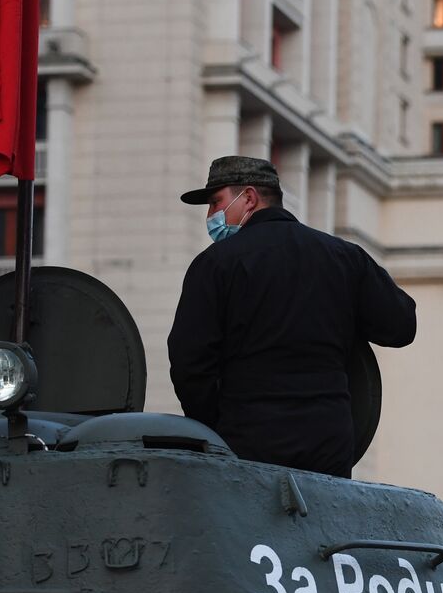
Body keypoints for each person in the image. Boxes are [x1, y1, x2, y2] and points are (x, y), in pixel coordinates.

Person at [168, 156, 417, 477]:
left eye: (216, 202)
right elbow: (401, 326)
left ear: (248, 198)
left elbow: (190, 363)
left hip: (247, 446)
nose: (211, 215)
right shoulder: (344, 257)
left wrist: (216, 428)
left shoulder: (216, 264)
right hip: (328, 447)